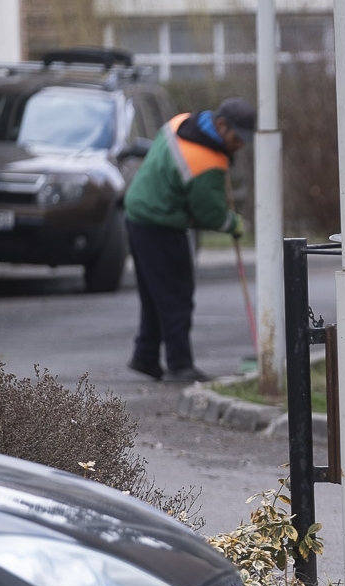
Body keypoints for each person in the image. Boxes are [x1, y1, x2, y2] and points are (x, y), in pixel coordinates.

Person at [123, 97, 253, 383]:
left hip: (137, 214)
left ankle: (145, 355)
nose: (239, 145)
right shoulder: (206, 161)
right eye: (236, 138)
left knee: (154, 295)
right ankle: (180, 366)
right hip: (161, 224)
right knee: (176, 297)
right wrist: (234, 223)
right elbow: (211, 214)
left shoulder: (180, 122)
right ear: (221, 124)